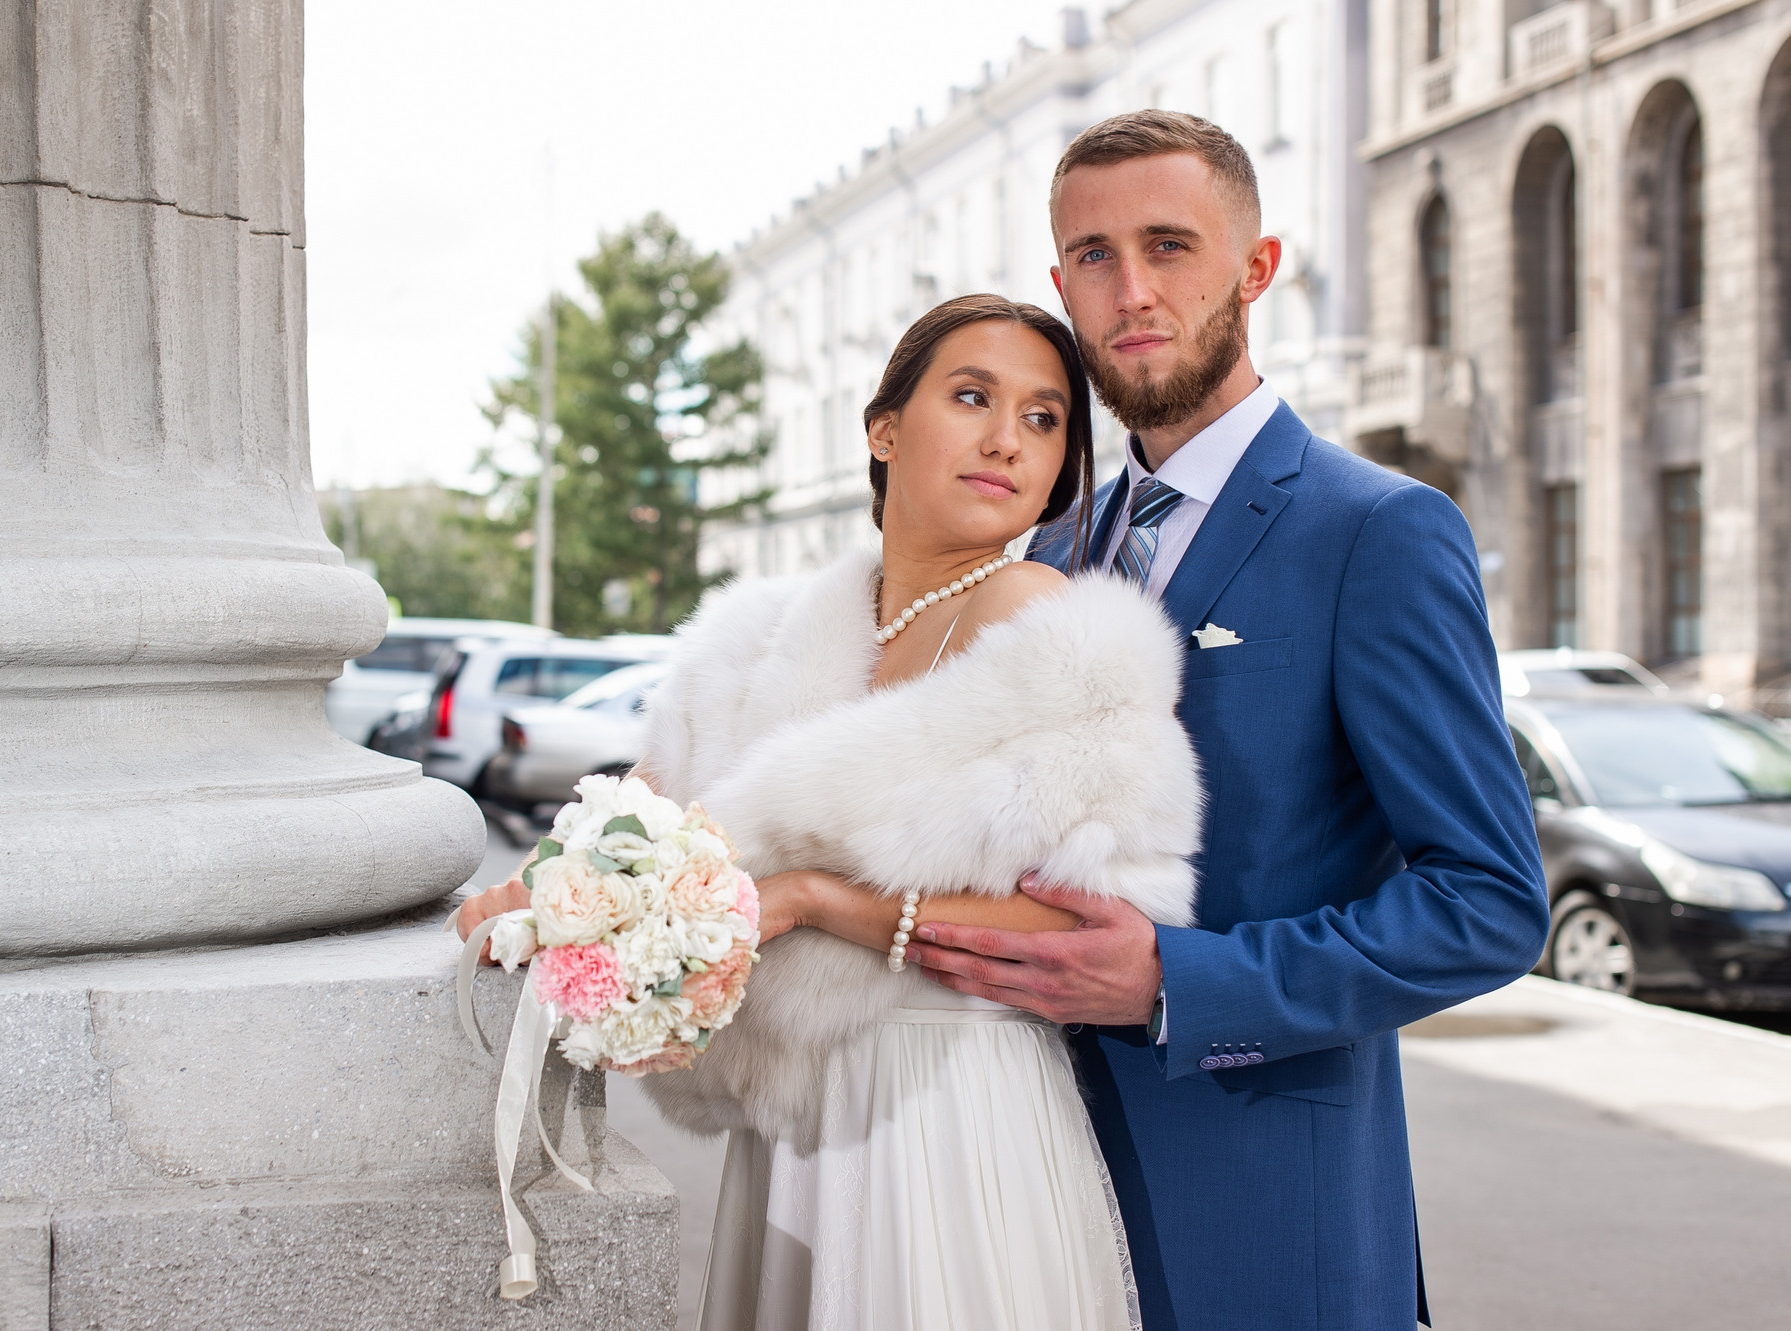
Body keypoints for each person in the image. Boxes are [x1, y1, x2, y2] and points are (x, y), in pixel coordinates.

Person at [909, 111, 1550, 1331]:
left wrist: (1174, 980)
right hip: (1023, 1188)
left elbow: (1486, 901)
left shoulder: (1376, 531)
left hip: (1263, 1214)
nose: (1131, 289)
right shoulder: (1045, 547)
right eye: (1092, 256)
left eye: (1168, 245)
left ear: (1255, 269)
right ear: (1060, 286)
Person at [457, 292, 1202, 1330]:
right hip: (791, 1126)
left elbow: (1100, 919)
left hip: (948, 1105)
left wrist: (812, 898)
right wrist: (540, 900)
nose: (1006, 439)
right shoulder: (762, 632)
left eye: (1043, 419)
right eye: (972, 395)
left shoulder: (1041, 618)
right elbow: (639, 825)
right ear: (883, 427)